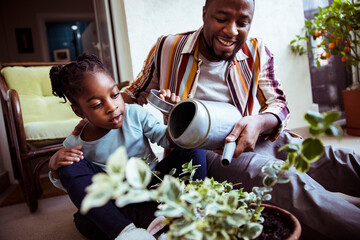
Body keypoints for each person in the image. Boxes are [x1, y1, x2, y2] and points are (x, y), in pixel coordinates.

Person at [120, 0, 360, 239]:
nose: (232, 31)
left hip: (250, 134)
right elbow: (131, 95)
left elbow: (278, 104)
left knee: (332, 159)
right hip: (202, 155)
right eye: (221, 19)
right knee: (284, 180)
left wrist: (258, 122)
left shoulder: (255, 50)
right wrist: (94, 116)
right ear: (205, 14)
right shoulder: (168, 47)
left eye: (242, 22)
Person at [47, 53, 206, 240]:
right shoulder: (75, 143)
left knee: (192, 141)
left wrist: (175, 115)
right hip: (116, 199)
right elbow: (75, 186)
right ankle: (128, 231)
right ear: (79, 111)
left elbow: (167, 139)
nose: (112, 107)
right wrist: (54, 166)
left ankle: (195, 204)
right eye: (97, 104)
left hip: (154, 184)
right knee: (83, 213)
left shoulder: (135, 114)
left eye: (115, 95)